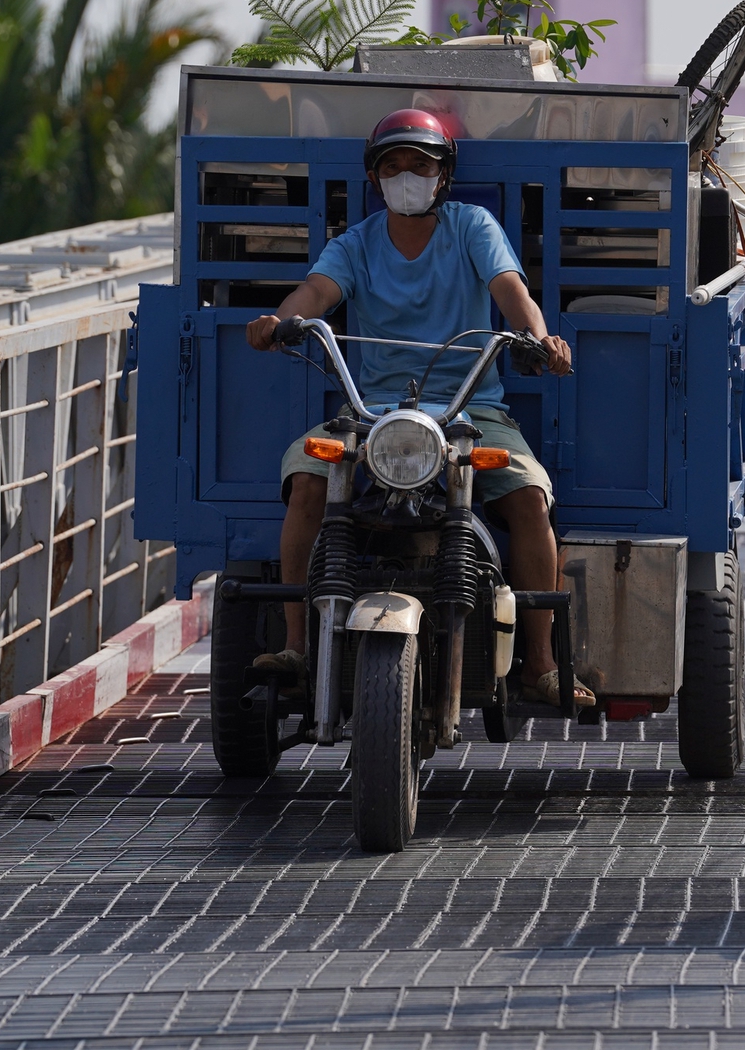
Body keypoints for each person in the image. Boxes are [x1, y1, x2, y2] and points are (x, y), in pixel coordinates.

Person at [244, 108, 594, 709]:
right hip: (375, 413)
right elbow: (316, 294)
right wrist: (280, 321)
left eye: (421, 165)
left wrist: (538, 337)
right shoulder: (354, 244)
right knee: (306, 477)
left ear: (443, 176)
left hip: (468, 410)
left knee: (531, 497)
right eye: (393, 166)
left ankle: (540, 662)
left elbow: (512, 289)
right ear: (376, 178)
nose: (407, 175)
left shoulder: (471, 227)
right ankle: (298, 644)